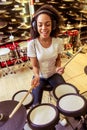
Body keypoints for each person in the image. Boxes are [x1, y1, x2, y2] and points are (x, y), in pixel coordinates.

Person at [27, 4, 65, 105]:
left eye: (47, 24)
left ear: (53, 25)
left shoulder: (58, 41)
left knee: (66, 96)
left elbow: (58, 60)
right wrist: (36, 75)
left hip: (53, 74)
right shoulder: (32, 44)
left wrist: (58, 68)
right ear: (36, 26)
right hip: (40, 76)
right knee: (35, 104)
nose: (44, 28)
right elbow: (35, 65)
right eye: (40, 25)